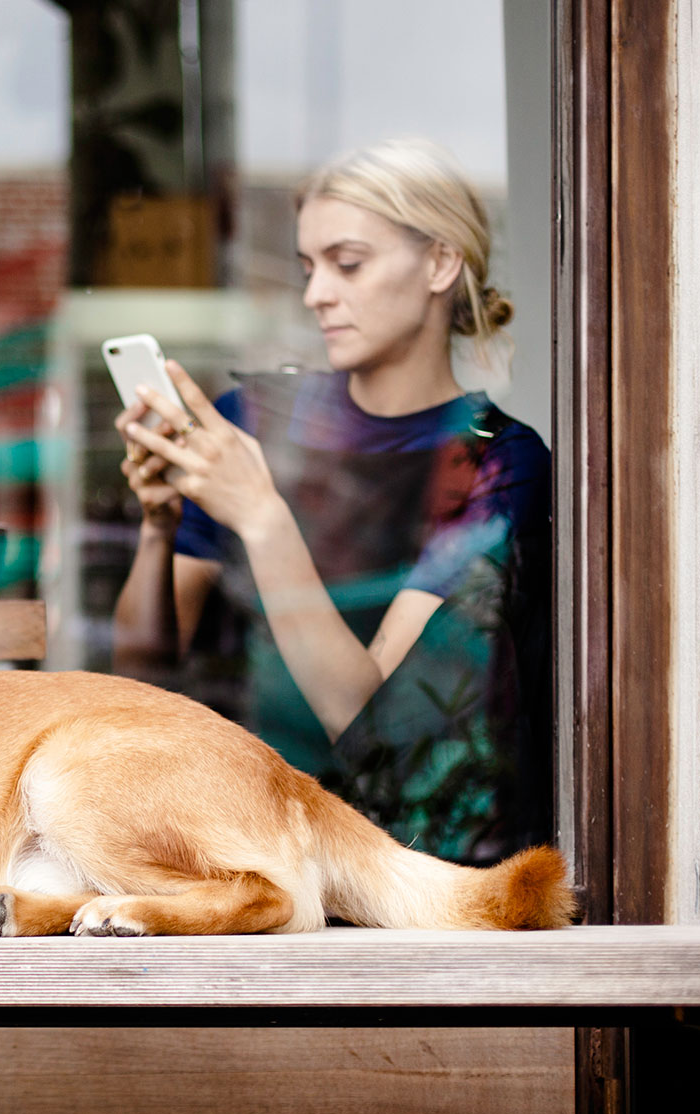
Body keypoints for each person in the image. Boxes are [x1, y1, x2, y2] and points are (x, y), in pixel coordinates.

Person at [111, 139, 552, 862]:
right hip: (247, 841)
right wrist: (160, 527)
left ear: (441, 264)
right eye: (309, 268)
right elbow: (141, 670)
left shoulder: (495, 463)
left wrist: (260, 515)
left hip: (415, 862)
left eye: (347, 264)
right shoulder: (252, 422)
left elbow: (371, 721)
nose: (317, 293)